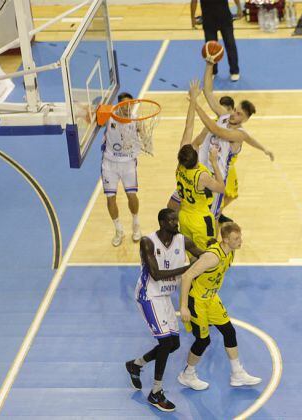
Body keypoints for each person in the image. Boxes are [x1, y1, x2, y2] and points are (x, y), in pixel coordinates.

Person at [125, 208, 204, 412]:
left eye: (176, 220)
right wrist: (188, 269)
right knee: (165, 342)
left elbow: (203, 257)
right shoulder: (147, 241)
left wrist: (216, 252)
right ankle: (156, 392)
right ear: (161, 222)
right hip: (148, 295)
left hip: (166, 296)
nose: (175, 223)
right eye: (171, 221)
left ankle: (136, 365)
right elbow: (156, 274)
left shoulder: (182, 240)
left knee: (174, 344)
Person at [178, 222, 262, 389]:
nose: (240, 241)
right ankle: (187, 374)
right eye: (236, 238)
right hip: (197, 300)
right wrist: (184, 306)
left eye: (240, 237)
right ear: (225, 239)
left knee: (229, 331)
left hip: (211, 298)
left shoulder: (230, 252)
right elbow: (187, 276)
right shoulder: (212, 256)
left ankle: (237, 374)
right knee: (203, 341)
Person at [193, 62, 274, 221]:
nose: (233, 115)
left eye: (238, 114)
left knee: (212, 218)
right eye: (235, 110)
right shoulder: (224, 115)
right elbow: (208, 92)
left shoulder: (238, 134)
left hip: (217, 178)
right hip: (201, 170)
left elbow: (217, 131)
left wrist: (194, 106)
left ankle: (212, 244)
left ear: (245, 119)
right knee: (196, 211)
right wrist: (210, 64)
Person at [168, 80, 226, 250]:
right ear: (197, 157)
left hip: (184, 215)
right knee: (205, 253)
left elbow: (189, 125)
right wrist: (214, 163)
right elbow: (221, 188)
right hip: (200, 219)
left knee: (190, 252)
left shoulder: (180, 166)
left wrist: (193, 100)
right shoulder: (202, 176)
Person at [101, 92, 142, 247]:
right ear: (118, 106)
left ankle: (136, 224)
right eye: (124, 105)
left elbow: (143, 134)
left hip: (128, 163)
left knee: (131, 195)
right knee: (110, 198)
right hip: (109, 163)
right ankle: (118, 230)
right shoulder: (109, 117)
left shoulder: (136, 119)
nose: (128, 108)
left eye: (130, 104)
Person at [190, 0, 242, 81]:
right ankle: (213, 71)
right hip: (208, 20)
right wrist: (192, 18)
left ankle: (234, 71)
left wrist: (239, 8)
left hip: (225, 18)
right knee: (210, 49)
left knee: (230, 44)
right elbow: (194, 1)